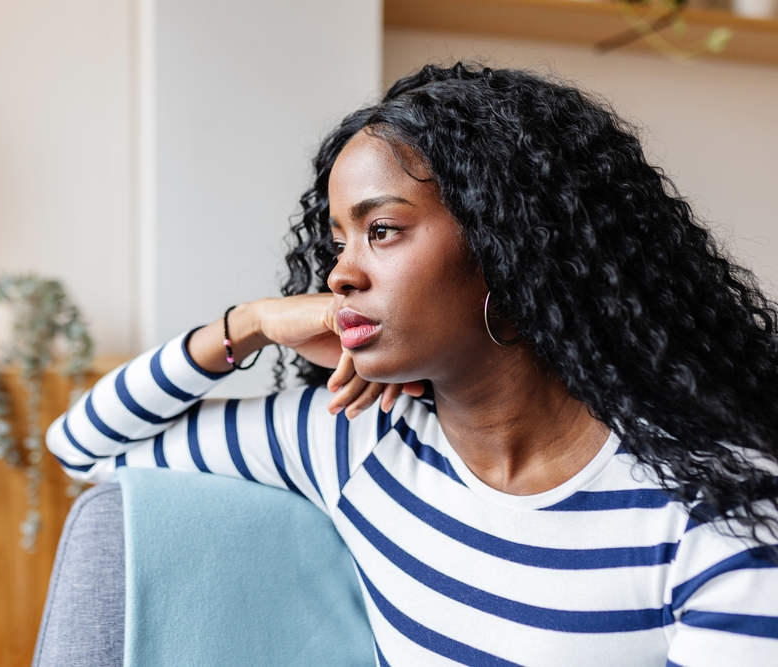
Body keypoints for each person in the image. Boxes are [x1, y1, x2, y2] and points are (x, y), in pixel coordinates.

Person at [46, 63, 778, 666]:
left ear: (509, 247)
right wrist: (249, 323)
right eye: (339, 240)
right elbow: (82, 448)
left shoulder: (716, 512)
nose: (340, 274)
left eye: (383, 230)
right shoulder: (356, 437)